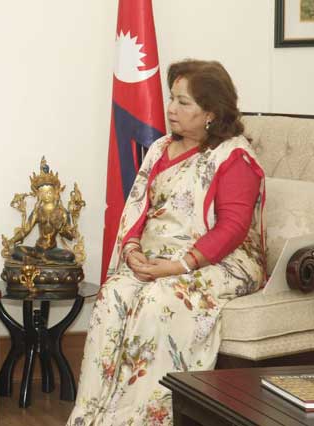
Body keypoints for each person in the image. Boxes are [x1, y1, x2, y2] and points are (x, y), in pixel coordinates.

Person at [67, 59, 266, 425]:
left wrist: (179, 265)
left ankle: (144, 419)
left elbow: (233, 228)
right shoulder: (160, 148)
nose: (171, 109)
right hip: (157, 259)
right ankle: (95, 417)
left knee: (157, 299)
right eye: (171, 98)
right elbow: (137, 208)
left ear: (210, 112)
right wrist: (132, 250)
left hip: (223, 261)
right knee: (113, 296)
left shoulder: (233, 156)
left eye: (183, 102)